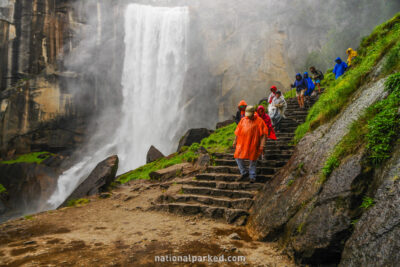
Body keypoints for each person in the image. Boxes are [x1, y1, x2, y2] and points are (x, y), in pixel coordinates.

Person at [233, 105, 268, 183]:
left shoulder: (259, 121)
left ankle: (252, 176)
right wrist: (235, 141)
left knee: (253, 159)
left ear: (253, 113)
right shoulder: (243, 120)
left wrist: (262, 145)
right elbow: (238, 132)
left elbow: (263, 135)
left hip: (254, 144)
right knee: (237, 156)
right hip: (242, 143)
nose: (248, 117)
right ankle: (244, 172)